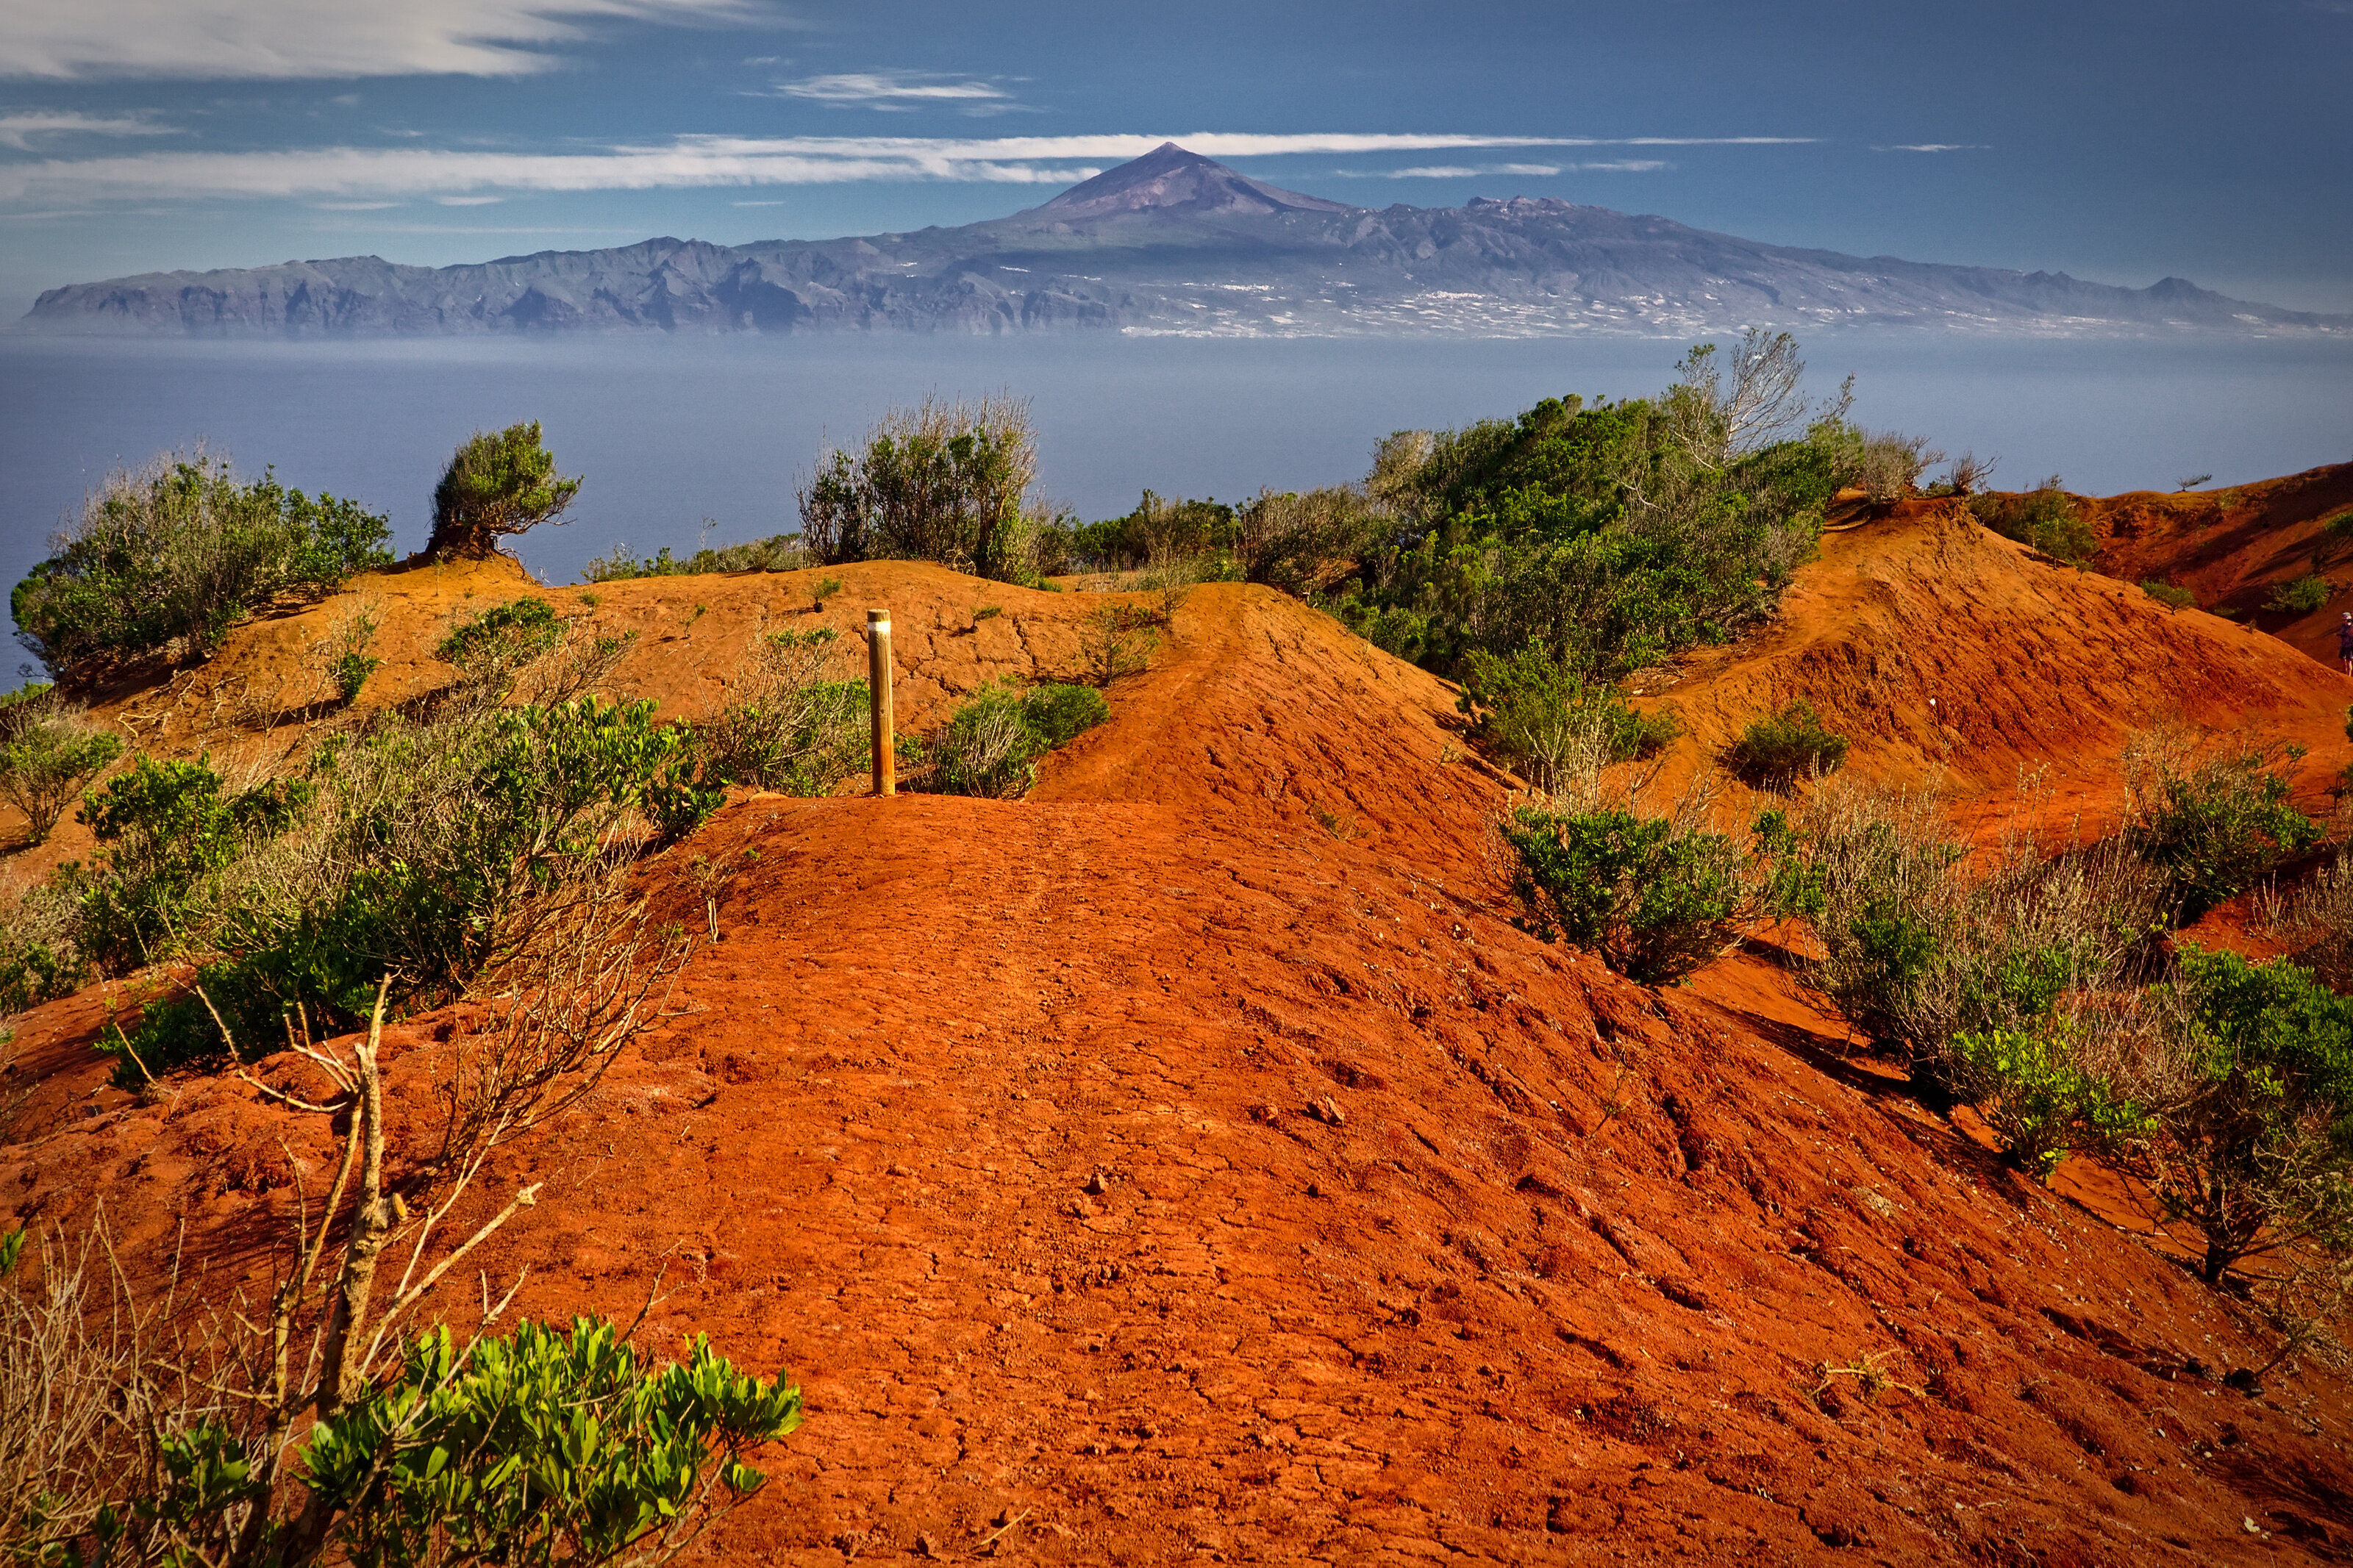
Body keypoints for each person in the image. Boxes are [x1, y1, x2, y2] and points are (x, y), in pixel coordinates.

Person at [2338, 612, 2353, 676]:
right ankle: (2344, 673)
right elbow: (2343, 633)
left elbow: (2350, 633)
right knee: (2342, 658)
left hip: (2349, 645)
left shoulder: (2351, 626)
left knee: (2349, 661)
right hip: (2343, 645)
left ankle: (2348, 676)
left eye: (2345, 620)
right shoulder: (2343, 626)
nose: (2344, 621)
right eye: (2343, 620)